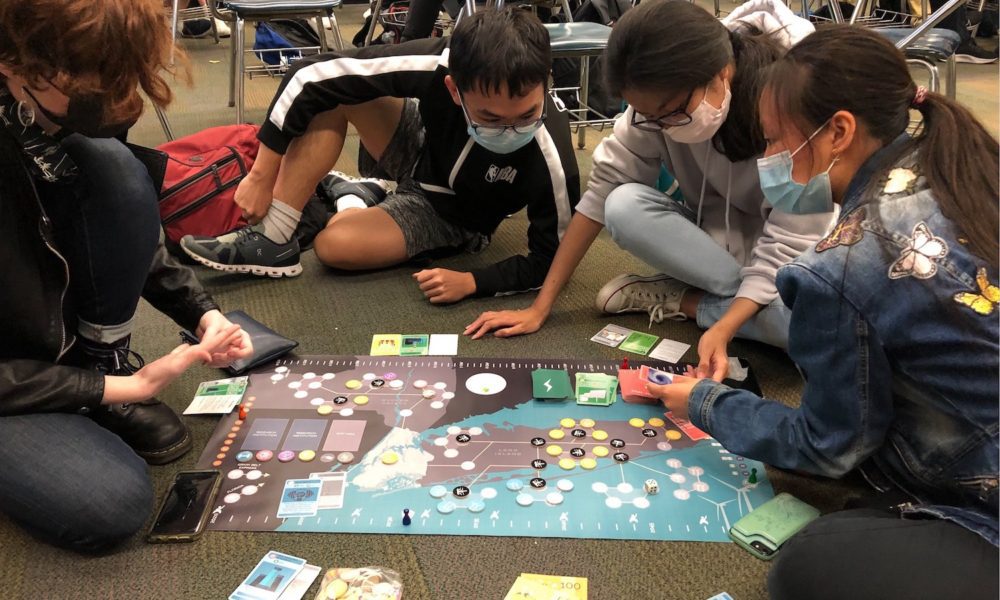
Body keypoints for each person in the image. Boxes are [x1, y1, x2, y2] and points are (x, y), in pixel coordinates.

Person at [648, 25, 998, 600]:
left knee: (808, 564)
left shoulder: (838, 266)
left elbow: (828, 446)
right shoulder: (964, 163)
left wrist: (706, 402)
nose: (766, 159)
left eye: (772, 141)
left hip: (980, 493)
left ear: (838, 130)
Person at [466, 0, 833, 381]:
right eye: (649, 116)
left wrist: (721, 325)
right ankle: (734, 302)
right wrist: (540, 308)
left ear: (721, 74)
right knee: (621, 203)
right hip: (720, 245)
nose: (664, 125)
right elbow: (596, 200)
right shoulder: (651, 109)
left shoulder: (790, 109)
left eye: (674, 111)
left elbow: (790, 239)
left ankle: (691, 303)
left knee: (825, 330)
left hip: (803, 249)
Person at [0, 0, 252, 553]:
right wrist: (118, 389)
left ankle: (95, 366)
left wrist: (202, 312)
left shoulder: (33, 112)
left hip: (42, 319)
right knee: (106, 504)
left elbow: (124, 229)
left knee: (115, 167)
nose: (119, 104)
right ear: (14, 66)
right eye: (97, 89)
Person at [181, 8, 580, 305]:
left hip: (448, 214)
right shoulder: (440, 64)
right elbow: (310, 75)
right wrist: (261, 176)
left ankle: (356, 193)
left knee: (332, 247)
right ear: (454, 89)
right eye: (490, 117)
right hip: (421, 147)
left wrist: (474, 281)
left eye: (525, 115)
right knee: (333, 95)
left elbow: (551, 259)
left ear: (544, 85)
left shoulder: (552, 152)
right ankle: (275, 238)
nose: (509, 129)